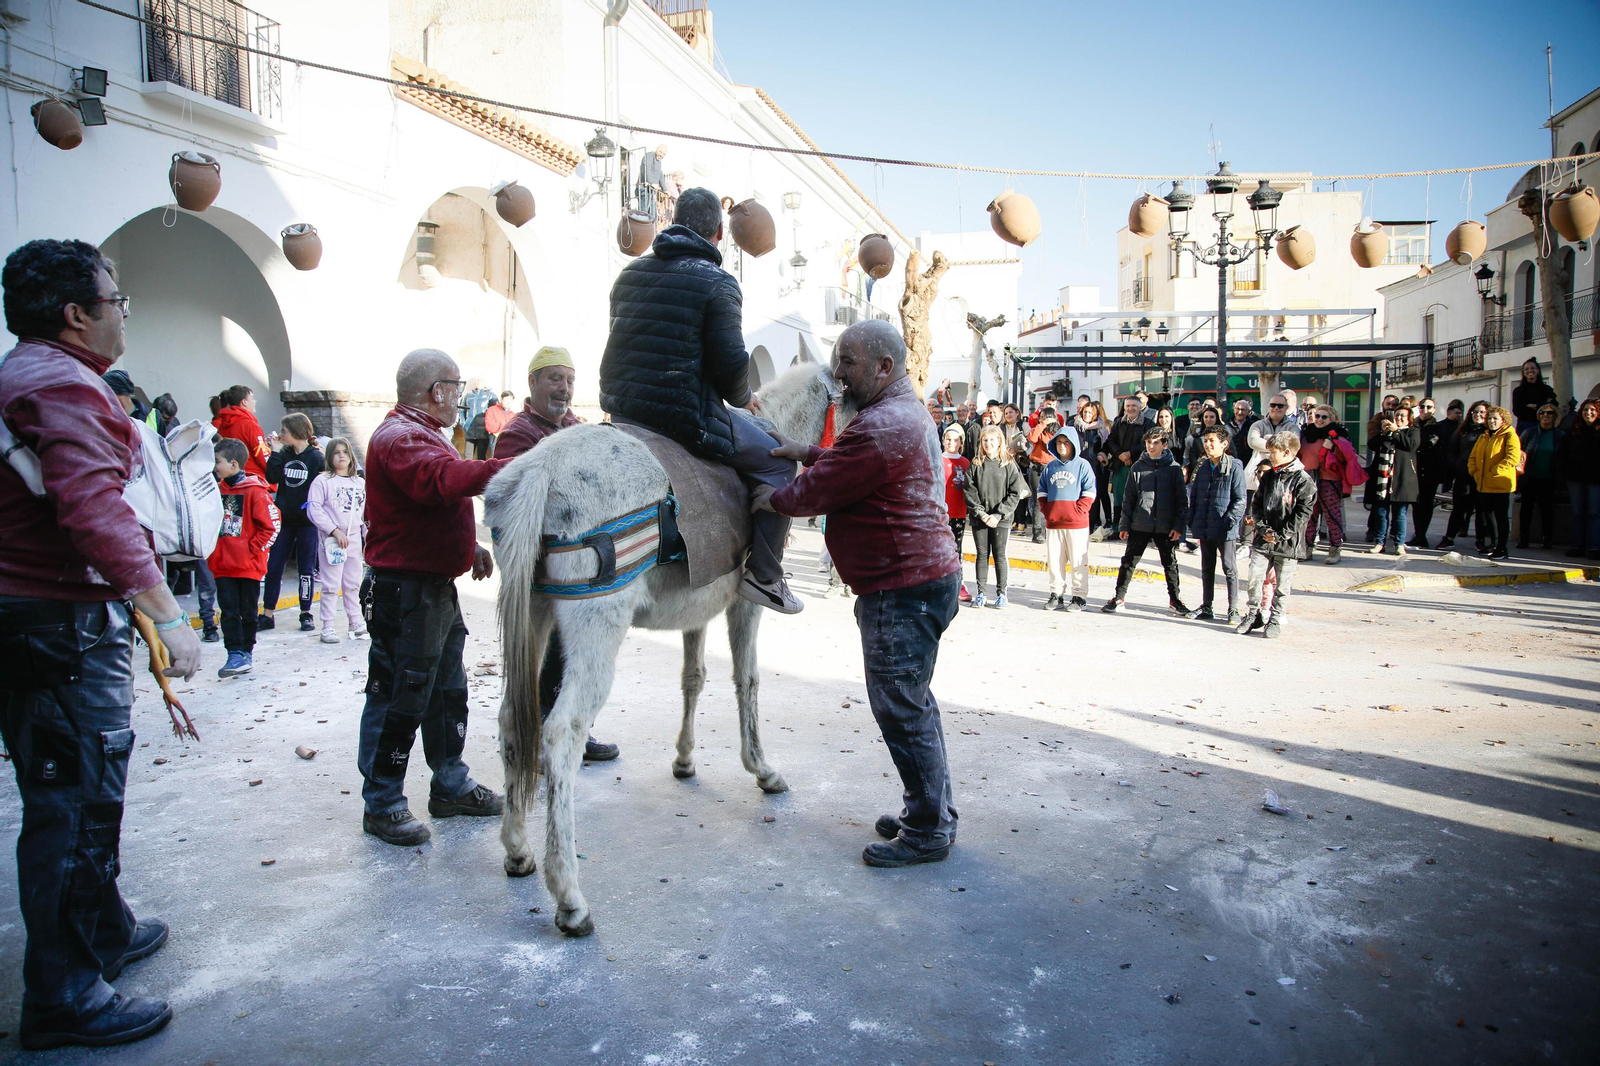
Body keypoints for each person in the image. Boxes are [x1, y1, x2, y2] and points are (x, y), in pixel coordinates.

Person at [0, 238, 200, 1049]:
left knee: (73, 795)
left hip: (37, 617)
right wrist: (168, 614)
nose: (125, 315)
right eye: (117, 301)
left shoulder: (30, 375)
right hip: (57, 626)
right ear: (78, 315)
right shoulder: (63, 385)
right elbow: (93, 511)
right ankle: (65, 992)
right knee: (75, 804)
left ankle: (103, 928)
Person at [755, 319, 961, 868]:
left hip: (903, 589)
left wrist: (766, 499)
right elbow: (853, 466)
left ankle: (927, 831)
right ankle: (931, 810)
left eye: (847, 362)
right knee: (914, 703)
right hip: (921, 580)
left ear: (884, 367)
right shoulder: (898, 413)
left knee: (901, 707)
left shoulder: (880, 425)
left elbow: (816, 493)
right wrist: (805, 449)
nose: (837, 374)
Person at [597, 187, 800, 614]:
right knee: (779, 461)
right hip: (682, 417)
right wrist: (746, 398)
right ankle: (765, 576)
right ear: (720, 233)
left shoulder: (628, 274)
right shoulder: (718, 283)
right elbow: (730, 373)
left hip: (622, 411)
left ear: (673, 220)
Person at [357, 348, 509, 847]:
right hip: (407, 593)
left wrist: (469, 548)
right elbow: (439, 482)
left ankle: (450, 785)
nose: (460, 398)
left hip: (431, 590)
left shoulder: (422, 435)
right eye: (457, 388)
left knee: (446, 692)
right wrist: (517, 466)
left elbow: (432, 503)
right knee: (401, 695)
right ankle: (383, 804)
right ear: (436, 391)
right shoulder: (401, 438)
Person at [493, 346, 618, 762]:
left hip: (575, 567)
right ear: (532, 382)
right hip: (539, 570)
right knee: (541, 658)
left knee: (572, 654)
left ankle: (572, 732)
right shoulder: (517, 433)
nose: (564, 388)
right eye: (554, 379)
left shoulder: (576, 427)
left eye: (569, 380)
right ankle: (539, 740)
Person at [209, 437, 280, 677]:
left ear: (233, 464)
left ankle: (245, 652)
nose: (214, 465)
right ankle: (234, 654)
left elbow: (271, 526)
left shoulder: (255, 491)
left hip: (248, 565)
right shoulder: (214, 490)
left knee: (248, 610)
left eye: (217, 461)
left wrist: (252, 549)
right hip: (222, 565)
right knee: (228, 610)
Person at [1102, 426, 1190, 616]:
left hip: (1166, 525)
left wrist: (1178, 526)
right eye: (1148, 442)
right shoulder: (1137, 467)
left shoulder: (1174, 469)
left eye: (1156, 442)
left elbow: (1182, 501)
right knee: (1129, 562)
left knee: (1170, 564)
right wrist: (1124, 525)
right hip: (1140, 522)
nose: (1151, 446)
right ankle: (1119, 597)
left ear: (1164, 444)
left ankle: (1175, 600)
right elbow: (1129, 498)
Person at [1236, 431, 1315, 638]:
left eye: (1273, 452)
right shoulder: (1269, 475)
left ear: (1287, 452)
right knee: (1255, 579)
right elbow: (1258, 505)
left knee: (1282, 585)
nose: (1269, 456)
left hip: (1288, 543)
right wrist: (1264, 528)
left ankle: (1275, 618)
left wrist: (1280, 534)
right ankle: (1253, 614)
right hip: (1264, 539)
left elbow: (1303, 513)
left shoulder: (1303, 480)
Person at [260, 413, 324, 632]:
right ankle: (268, 612)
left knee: (306, 569)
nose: (281, 434)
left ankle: (306, 612)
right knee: (274, 566)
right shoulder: (284, 453)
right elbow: (271, 477)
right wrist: (275, 453)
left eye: (284, 430)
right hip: (285, 521)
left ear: (296, 431)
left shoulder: (315, 457)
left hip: (307, 522)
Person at [306, 437, 367, 643]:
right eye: (336, 452)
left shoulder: (359, 483)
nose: (341, 456)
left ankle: (355, 620)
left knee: (352, 582)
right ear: (329, 456)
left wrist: (369, 539)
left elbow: (365, 513)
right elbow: (314, 509)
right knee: (331, 584)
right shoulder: (322, 481)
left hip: (354, 537)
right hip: (332, 539)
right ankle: (328, 625)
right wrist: (333, 530)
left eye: (345, 452)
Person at [1187, 427, 1247, 622]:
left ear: (1224, 444)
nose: (1208, 444)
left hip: (1224, 527)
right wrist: (1193, 519)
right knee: (1207, 567)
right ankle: (1207, 605)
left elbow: (1240, 500)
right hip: (1205, 525)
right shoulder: (1203, 466)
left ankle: (1233, 608)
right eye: (1206, 440)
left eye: (1212, 440)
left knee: (1229, 568)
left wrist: (1229, 521)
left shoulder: (1234, 466)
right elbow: (1194, 497)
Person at [963, 424, 1026, 609]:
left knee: (999, 555)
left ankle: (1001, 594)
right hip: (979, 518)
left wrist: (998, 514)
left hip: (1002, 519)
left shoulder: (1009, 465)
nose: (988, 443)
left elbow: (1015, 493)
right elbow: (969, 492)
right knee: (982, 555)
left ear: (999, 441)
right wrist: (981, 513)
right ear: (980, 443)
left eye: (992, 440)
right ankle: (981, 593)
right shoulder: (975, 464)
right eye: (985, 440)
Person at [1037, 425, 1096, 611]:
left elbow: (1089, 493)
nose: (1062, 446)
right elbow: (1041, 492)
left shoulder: (1083, 466)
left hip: (1077, 524)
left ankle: (1079, 596)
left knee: (1078, 561)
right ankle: (1056, 594)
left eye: (1066, 443)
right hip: (1054, 523)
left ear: (1074, 444)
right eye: (1059, 442)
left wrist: (1078, 512)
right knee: (1055, 561)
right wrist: (1048, 512)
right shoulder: (1050, 467)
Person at [1299, 404, 1364, 564]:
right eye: (1317, 416)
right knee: (1310, 516)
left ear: (1333, 419)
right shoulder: (1307, 434)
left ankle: (1335, 549)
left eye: (1324, 417)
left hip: (1330, 480)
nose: (1319, 420)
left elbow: (1347, 457)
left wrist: (1334, 446)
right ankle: (1307, 548)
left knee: (1332, 516)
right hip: (1309, 479)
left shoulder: (1338, 435)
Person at [1468, 405, 1521, 560]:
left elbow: (1512, 457)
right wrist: (1474, 471)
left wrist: (1496, 470)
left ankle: (1502, 548)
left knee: (1501, 517)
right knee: (1488, 516)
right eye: (1489, 418)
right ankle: (1494, 543)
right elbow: (1473, 456)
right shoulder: (1484, 436)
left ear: (1503, 420)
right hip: (1483, 483)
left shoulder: (1509, 434)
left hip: (1500, 484)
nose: (1491, 421)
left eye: (1495, 418)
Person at [1366, 403, 1420, 555]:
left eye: (1403, 416)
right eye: (1397, 416)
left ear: (1409, 418)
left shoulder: (1412, 431)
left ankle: (1399, 543)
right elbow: (1372, 445)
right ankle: (1379, 542)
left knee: (1400, 514)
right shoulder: (1386, 433)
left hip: (1402, 479)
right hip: (1383, 479)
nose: (1399, 418)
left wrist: (1396, 432)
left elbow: (1411, 446)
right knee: (1381, 513)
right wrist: (1383, 433)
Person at [1440, 400, 1490, 550]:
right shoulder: (1463, 430)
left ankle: (1480, 540)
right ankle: (1449, 538)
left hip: (1482, 477)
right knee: (1459, 509)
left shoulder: (1490, 432)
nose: (1478, 415)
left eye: (1482, 412)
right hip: (1464, 476)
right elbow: (1451, 450)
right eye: (1475, 412)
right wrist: (1457, 466)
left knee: (1481, 510)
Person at [1556, 398, 1600, 559]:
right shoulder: (1573, 432)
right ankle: (1577, 546)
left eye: (1592, 410)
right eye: (1586, 410)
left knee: (1594, 513)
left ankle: (1594, 547)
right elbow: (1563, 453)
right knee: (1577, 513)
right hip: (1575, 478)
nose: (1588, 413)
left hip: (1596, 479)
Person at [1410, 397, 1457, 548]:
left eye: (1429, 407)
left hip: (1430, 472)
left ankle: (1422, 535)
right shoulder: (1413, 425)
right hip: (1414, 471)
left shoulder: (1438, 427)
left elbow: (1428, 445)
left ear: (1434, 410)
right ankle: (1418, 534)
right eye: (1422, 406)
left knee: (1426, 504)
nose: (1425, 409)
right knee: (1416, 505)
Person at [1517, 404, 1563, 550]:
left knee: (1547, 511)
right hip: (1530, 477)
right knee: (1526, 509)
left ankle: (1547, 538)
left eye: (1549, 413)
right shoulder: (1529, 433)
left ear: (1554, 416)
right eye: (1542, 413)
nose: (1545, 416)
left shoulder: (1560, 436)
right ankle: (1523, 539)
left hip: (1549, 478)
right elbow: (1520, 452)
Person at [1102, 396, 1148, 519]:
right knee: (1118, 498)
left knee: (1138, 498)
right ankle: (1118, 527)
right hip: (1119, 466)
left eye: (1133, 405)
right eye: (1128, 406)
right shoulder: (1118, 423)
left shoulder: (1148, 423)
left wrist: (1131, 453)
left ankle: (1137, 528)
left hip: (1140, 466)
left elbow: (1147, 443)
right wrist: (1120, 454)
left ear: (1140, 407)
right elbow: (1110, 441)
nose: (1130, 408)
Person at [212, 384, 271, 479]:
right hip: (255, 480)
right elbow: (263, 457)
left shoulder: (223, 425)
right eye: (252, 398)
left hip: (231, 479)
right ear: (244, 402)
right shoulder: (250, 425)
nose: (255, 401)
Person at [941, 425, 972, 602]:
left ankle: (958, 582)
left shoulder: (965, 463)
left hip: (959, 513)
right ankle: (940, 581)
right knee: (940, 549)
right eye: (948, 439)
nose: (951, 443)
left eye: (955, 440)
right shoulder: (938, 459)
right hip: (941, 513)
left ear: (961, 442)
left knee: (956, 549)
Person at [1511, 358, 1558, 432]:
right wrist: (1542, 406)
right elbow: (1517, 411)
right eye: (1526, 369)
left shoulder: (1547, 389)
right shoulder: (1518, 391)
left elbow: (1553, 406)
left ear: (1538, 370)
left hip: (1544, 425)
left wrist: (1534, 406)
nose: (1530, 371)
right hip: (1524, 426)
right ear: (1523, 372)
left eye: (1532, 368)